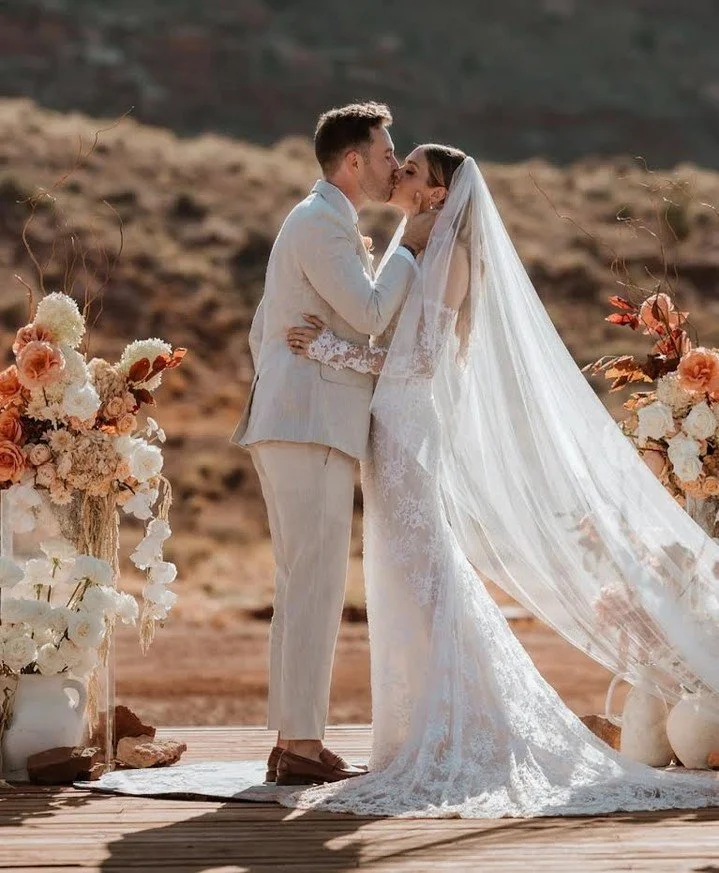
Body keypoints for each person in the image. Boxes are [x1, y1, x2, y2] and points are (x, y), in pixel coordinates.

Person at [281, 145, 719, 817]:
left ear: (436, 194)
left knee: (426, 577)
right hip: (391, 423)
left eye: (411, 170)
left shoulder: (452, 257)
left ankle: (459, 728)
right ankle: (417, 732)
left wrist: (327, 349)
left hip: (410, 427)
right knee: (405, 579)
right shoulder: (418, 245)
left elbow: (421, 359)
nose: (398, 173)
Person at [230, 103, 437, 786]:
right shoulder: (320, 224)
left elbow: (265, 327)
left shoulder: (317, 221)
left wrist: (298, 367)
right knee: (313, 583)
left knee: (303, 583)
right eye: (385, 154)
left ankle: (293, 739)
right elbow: (370, 313)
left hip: (297, 420)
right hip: (309, 423)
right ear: (353, 161)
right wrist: (409, 247)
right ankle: (299, 743)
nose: (393, 164)